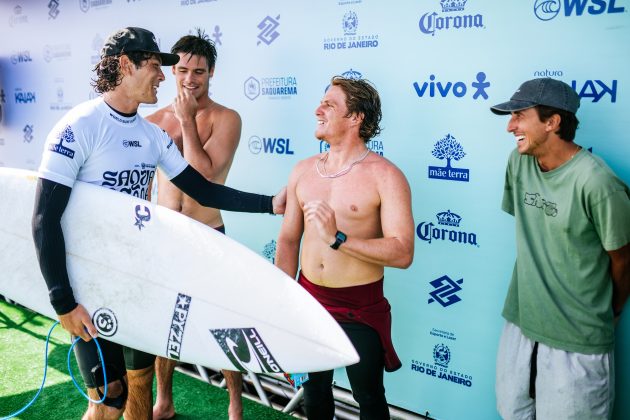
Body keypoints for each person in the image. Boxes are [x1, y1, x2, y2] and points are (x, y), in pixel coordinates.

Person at [31, 27, 285, 420]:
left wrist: (270, 204)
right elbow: (45, 219)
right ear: (125, 65)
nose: (166, 77)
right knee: (107, 397)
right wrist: (62, 301)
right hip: (91, 284)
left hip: (137, 278)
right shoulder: (80, 125)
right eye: (155, 66)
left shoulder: (151, 136)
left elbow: (205, 189)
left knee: (138, 385)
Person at [275, 76, 415, 419]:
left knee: (368, 397)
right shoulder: (303, 170)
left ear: (356, 118)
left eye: (330, 105)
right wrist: (280, 302)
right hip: (308, 300)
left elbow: (403, 252)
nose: (317, 110)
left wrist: (339, 238)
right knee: (315, 392)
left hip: (359, 307)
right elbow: (289, 239)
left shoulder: (386, 176)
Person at [490, 77, 630, 419]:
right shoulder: (518, 162)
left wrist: (606, 314)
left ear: (552, 122)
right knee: (513, 414)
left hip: (577, 339)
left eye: (520, 116)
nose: (510, 127)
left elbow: (623, 261)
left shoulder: (597, 182)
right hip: (521, 324)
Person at [145, 30, 244, 420]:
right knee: (165, 326)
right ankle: (164, 401)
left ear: (212, 72)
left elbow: (203, 179)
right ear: (172, 70)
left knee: (222, 324)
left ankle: (235, 403)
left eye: (199, 72)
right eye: (183, 69)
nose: (190, 79)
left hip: (208, 235)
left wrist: (186, 120)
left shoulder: (226, 119)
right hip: (166, 237)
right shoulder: (152, 120)